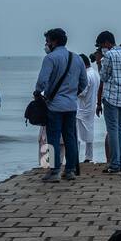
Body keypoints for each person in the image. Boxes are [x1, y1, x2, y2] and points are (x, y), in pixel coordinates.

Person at [35, 28, 87, 184]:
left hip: (54, 106)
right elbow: (84, 82)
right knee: (70, 138)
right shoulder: (76, 58)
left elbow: (42, 81)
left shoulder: (50, 58)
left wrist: (38, 92)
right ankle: (69, 170)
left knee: (53, 139)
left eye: (47, 41)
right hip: (71, 105)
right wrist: (72, 93)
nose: (46, 44)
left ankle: (55, 171)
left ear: (54, 41)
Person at [95, 30, 121, 173]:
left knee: (112, 130)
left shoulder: (109, 55)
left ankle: (115, 163)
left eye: (101, 45)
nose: (101, 48)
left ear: (106, 43)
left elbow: (103, 77)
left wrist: (99, 62)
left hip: (111, 96)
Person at [76, 54, 99, 163]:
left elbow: (82, 93)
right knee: (90, 131)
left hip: (81, 108)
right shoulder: (95, 73)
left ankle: (75, 155)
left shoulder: (86, 75)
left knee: (77, 135)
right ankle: (89, 156)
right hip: (91, 106)